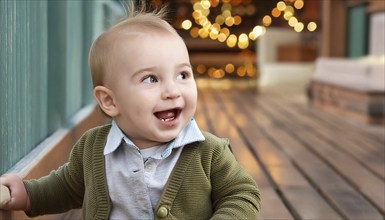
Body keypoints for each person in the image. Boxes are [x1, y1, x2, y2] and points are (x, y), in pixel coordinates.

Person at [0, 2, 261, 219]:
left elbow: (242, 194)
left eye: (182, 74)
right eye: (151, 79)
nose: (172, 91)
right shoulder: (93, 149)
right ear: (109, 101)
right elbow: (66, 187)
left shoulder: (209, 152)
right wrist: (27, 194)